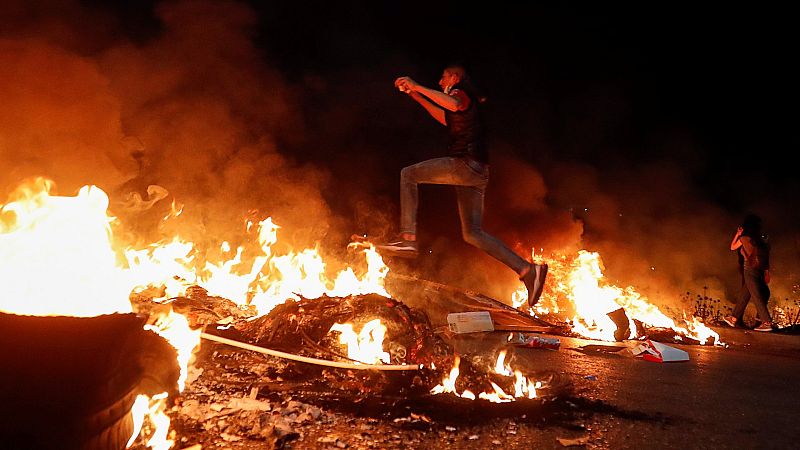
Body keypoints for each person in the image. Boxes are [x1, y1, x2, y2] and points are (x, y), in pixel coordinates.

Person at [375, 64, 548, 307]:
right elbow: (443, 115)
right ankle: (528, 271)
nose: (439, 79)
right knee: (472, 233)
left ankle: (407, 238)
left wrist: (416, 85)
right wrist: (414, 94)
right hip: (477, 173)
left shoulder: (460, 93)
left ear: (455, 77)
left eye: (444, 76)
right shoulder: (459, 103)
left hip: (465, 165)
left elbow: (453, 104)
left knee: (408, 174)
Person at [722, 213, 773, 331]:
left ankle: (766, 322)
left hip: (750, 269)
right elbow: (766, 257)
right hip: (760, 269)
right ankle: (733, 318)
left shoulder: (744, 238)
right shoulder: (761, 239)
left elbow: (732, 247)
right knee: (745, 294)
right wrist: (766, 272)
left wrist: (738, 234)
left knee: (756, 295)